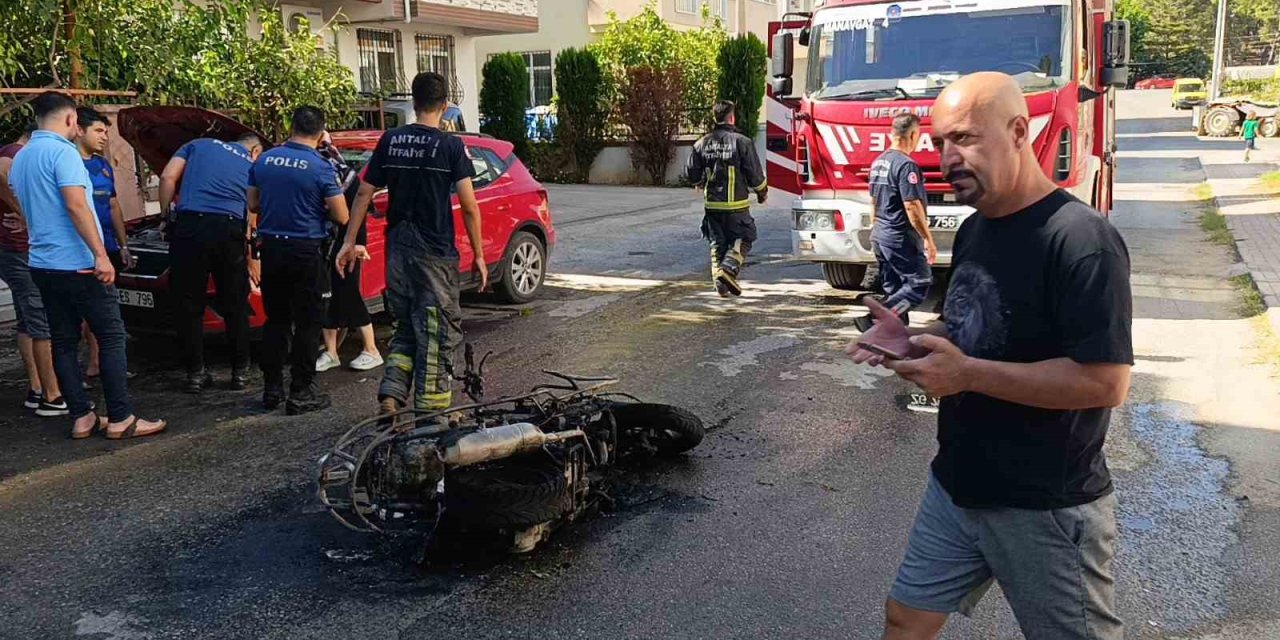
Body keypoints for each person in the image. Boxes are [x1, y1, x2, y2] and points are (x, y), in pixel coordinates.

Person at [848, 72, 1131, 639]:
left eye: (966, 139)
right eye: (939, 142)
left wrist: (968, 375)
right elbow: (975, 326)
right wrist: (917, 341)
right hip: (958, 483)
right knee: (906, 619)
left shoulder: (1080, 240)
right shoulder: (977, 229)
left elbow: (1104, 383)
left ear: (1020, 131)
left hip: (1044, 504)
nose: (948, 156)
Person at [9, 92, 166, 439]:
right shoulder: (63, 153)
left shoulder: (22, 157)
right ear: (70, 121)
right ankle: (121, 417)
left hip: (42, 264)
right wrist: (98, 253)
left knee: (63, 340)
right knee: (111, 336)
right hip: (78, 263)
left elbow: (26, 208)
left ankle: (81, 416)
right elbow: (77, 206)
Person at [336, 72, 485, 421]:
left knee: (405, 325)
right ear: (445, 106)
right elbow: (468, 206)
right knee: (436, 331)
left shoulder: (391, 140)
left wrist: (347, 241)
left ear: (414, 104)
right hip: (434, 254)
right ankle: (432, 418)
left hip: (398, 251)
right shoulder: (450, 146)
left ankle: (391, 393)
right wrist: (478, 254)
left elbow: (362, 193)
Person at [249, 106, 349, 414]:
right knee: (308, 322)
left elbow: (253, 203)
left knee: (276, 320)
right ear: (321, 133)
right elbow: (342, 214)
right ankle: (301, 391)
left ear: (290, 126)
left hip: (272, 250)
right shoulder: (320, 167)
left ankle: (272, 388)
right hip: (305, 250)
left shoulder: (264, 160)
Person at [159, 128, 262, 393]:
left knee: (189, 304)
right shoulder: (251, 165)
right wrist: (252, 258)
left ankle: (195, 374)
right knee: (235, 304)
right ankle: (240, 372)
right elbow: (252, 214)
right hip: (228, 231)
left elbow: (168, 176)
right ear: (255, 151)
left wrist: (165, 216)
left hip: (190, 227)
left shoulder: (197, 143)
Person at [0, 125, 66, 416]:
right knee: (38, 316)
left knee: (29, 318)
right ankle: (51, 395)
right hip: (17, 248)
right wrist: (24, 211)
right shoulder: (15, 153)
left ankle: (38, 387)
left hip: (18, 248)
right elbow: (1, 174)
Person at [853, 113, 936, 332]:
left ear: (892, 133)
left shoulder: (879, 161)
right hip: (899, 236)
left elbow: (873, 201)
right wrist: (928, 239)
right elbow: (912, 206)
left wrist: (877, 229)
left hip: (881, 234)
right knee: (919, 283)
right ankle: (873, 320)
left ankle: (892, 336)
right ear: (914, 134)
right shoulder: (906, 166)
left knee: (895, 288)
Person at [76, 107, 137, 384]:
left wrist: (123, 245)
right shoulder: (69, 164)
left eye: (106, 132)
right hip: (81, 250)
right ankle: (94, 362)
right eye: (99, 131)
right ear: (79, 130)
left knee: (109, 309)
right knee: (88, 311)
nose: (104, 137)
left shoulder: (102, 165)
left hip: (108, 246)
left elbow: (113, 205)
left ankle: (105, 362)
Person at [685, 100, 768, 297]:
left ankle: (721, 287)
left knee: (717, 244)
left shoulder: (700, 144)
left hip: (712, 206)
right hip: (736, 206)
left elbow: (692, 174)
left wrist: (698, 181)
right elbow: (754, 174)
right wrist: (762, 192)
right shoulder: (742, 142)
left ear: (715, 117)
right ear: (732, 118)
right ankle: (729, 269)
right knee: (745, 237)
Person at [315, 133, 382, 374]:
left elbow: (358, 213)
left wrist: (357, 244)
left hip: (346, 243)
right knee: (327, 296)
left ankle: (371, 349)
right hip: (326, 243)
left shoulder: (345, 177)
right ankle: (331, 352)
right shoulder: (329, 171)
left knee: (349, 293)